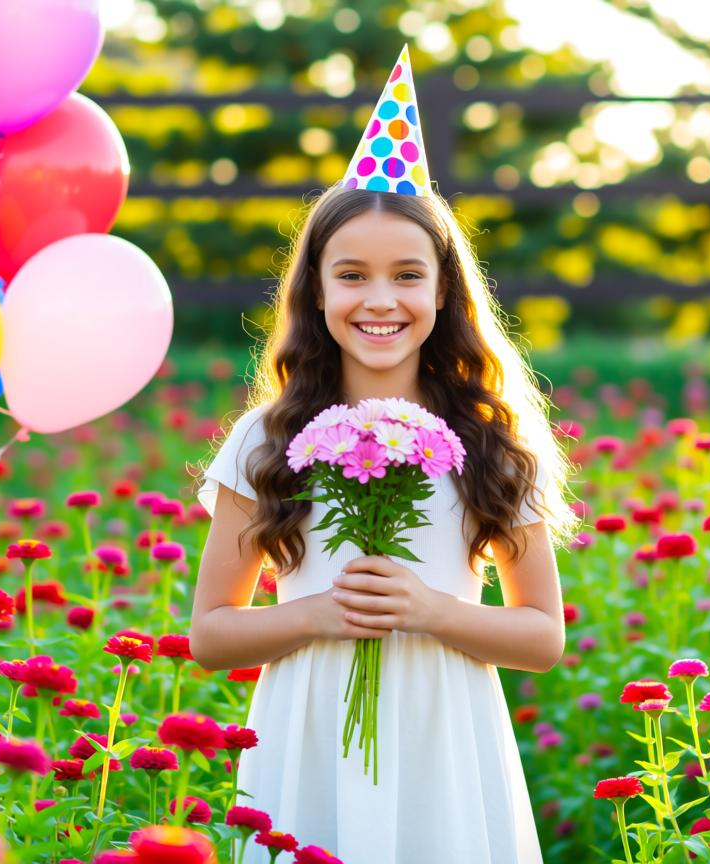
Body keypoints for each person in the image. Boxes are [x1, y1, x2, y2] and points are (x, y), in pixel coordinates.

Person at [190, 46, 576, 864]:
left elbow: (542, 635)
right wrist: (314, 614)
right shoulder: (265, 440)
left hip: (447, 738)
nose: (379, 300)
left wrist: (431, 610)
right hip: (307, 733)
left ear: (442, 291)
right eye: (352, 275)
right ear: (316, 292)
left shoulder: (491, 439)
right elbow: (212, 633)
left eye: (407, 275)